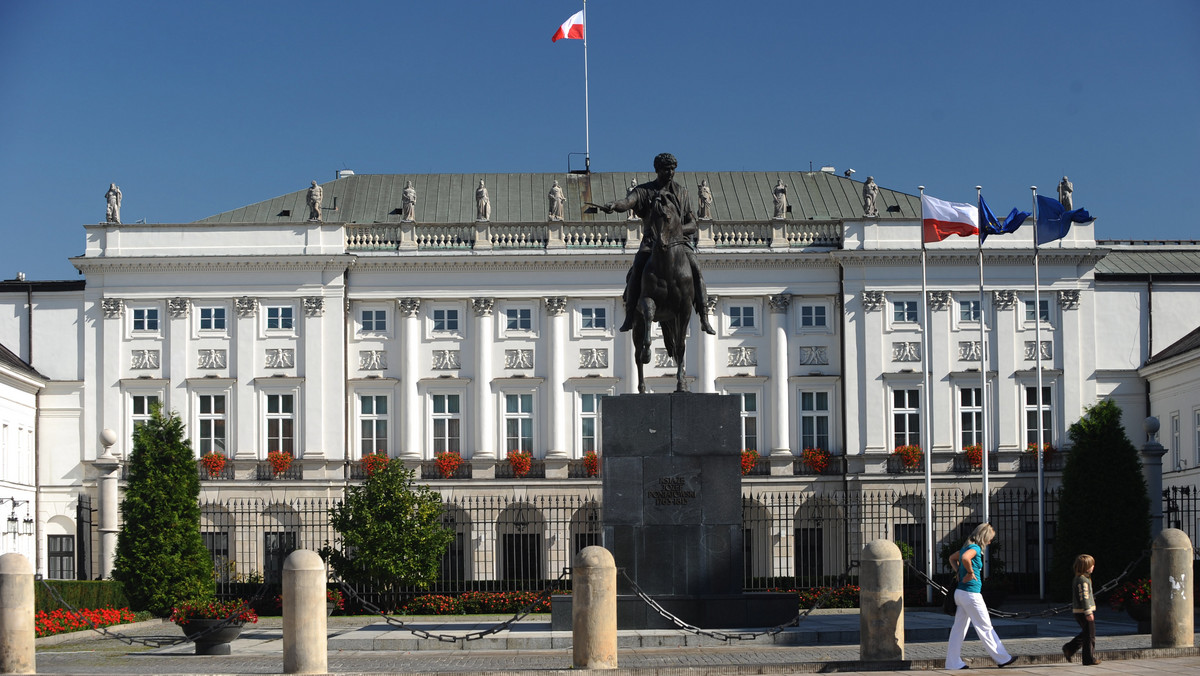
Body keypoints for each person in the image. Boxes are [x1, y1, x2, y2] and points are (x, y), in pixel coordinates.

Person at [599, 153, 716, 335]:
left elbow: (692, 224)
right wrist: (614, 205)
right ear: (657, 170)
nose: (670, 172)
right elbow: (628, 202)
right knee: (637, 269)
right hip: (652, 242)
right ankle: (630, 314)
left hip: (679, 243)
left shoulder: (682, 192)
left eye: (672, 169)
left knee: (696, 269)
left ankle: (704, 317)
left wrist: (674, 232)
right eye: (666, 169)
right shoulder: (644, 191)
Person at [946, 523, 1017, 670]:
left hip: (960, 593)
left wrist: (959, 573)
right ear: (984, 537)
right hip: (971, 594)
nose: (990, 542)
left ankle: (952, 663)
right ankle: (1003, 658)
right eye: (989, 539)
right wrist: (970, 573)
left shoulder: (966, 546)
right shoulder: (974, 548)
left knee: (958, 629)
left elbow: (952, 558)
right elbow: (965, 558)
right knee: (985, 627)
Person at [1063, 554, 1100, 665]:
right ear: (1086, 567)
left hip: (1081, 611)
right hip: (1083, 612)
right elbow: (1083, 597)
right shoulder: (1082, 580)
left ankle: (1069, 648)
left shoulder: (1081, 578)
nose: (1093, 567)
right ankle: (1088, 659)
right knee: (1090, 636)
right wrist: (1088, 611)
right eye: (1091, 565)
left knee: (1086, 633)